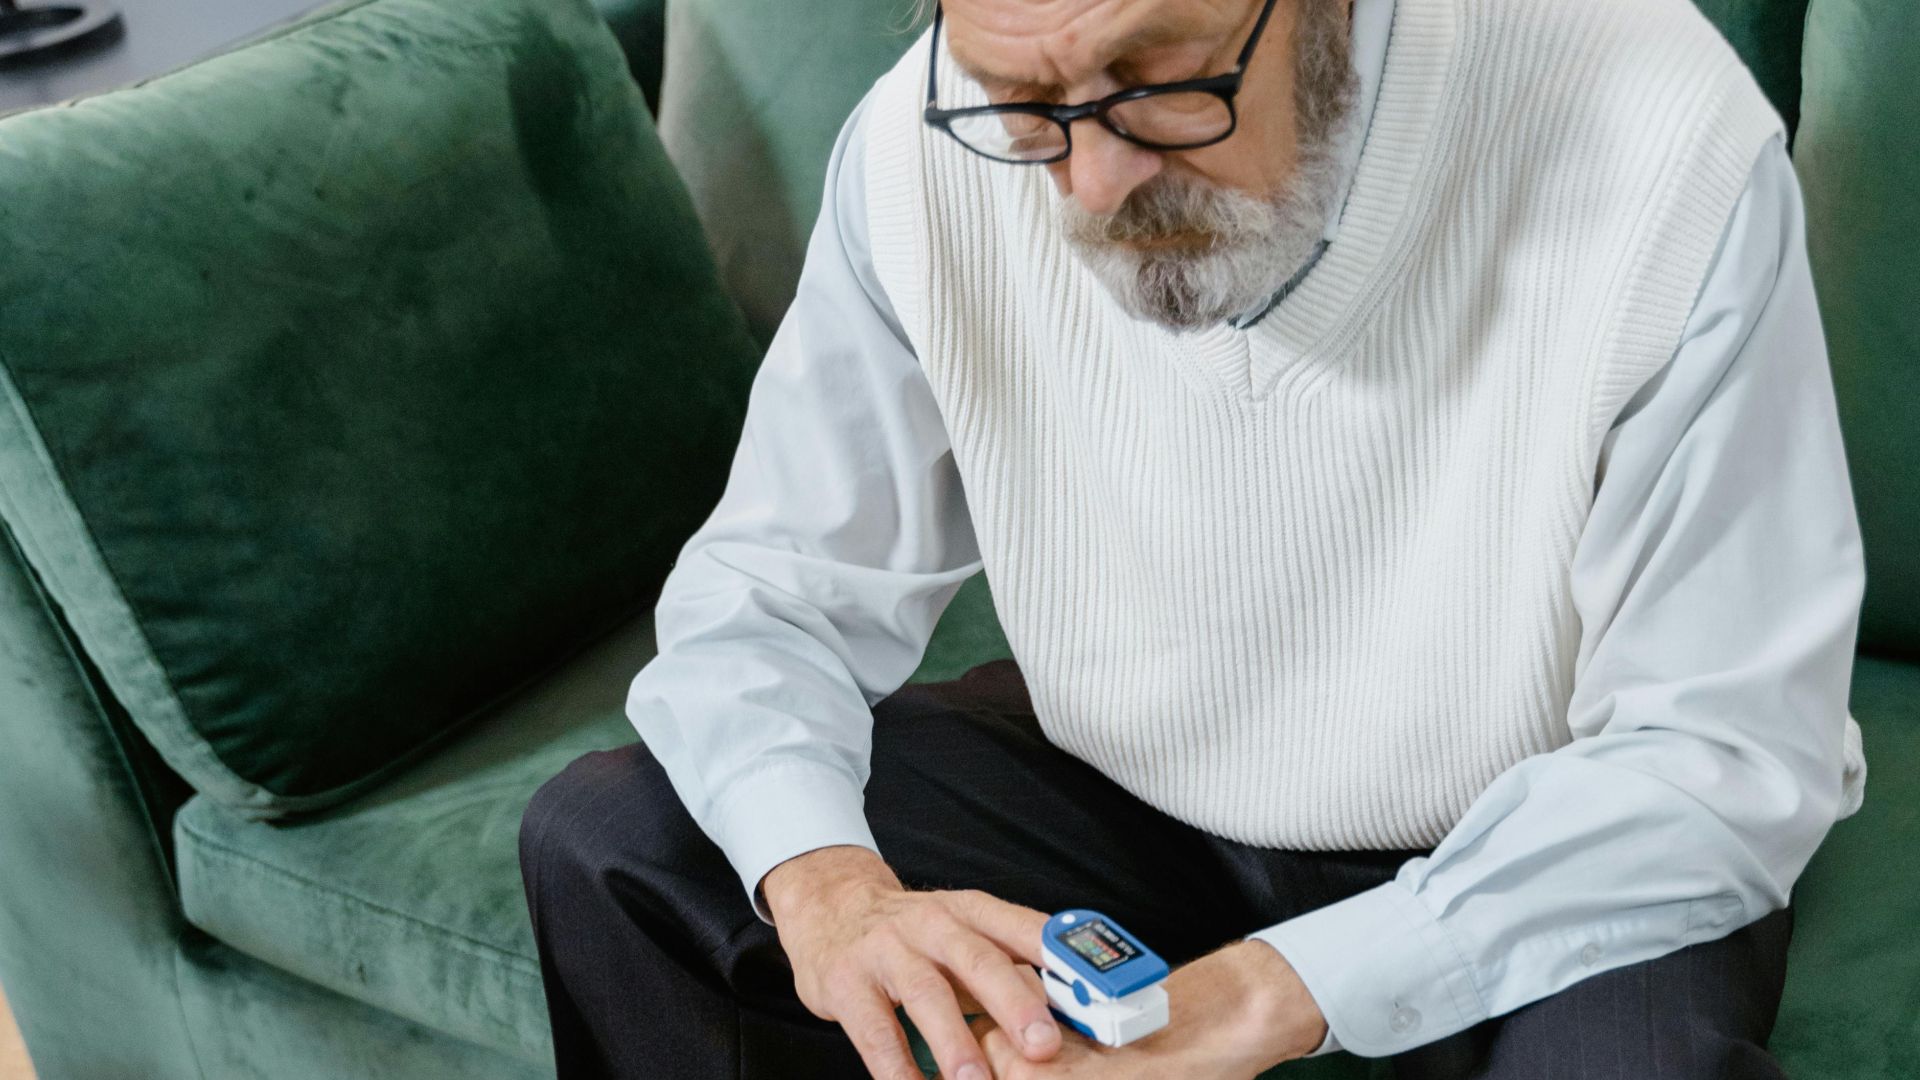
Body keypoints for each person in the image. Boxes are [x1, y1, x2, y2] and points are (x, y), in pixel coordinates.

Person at [518, 0, 1869, 1076]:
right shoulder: (922, 144)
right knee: (622, 846)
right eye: (1026, 104)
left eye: (1160, 78)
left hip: (1548, 826)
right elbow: (774, 591)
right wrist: (831, 891)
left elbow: (1723, 751)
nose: (1095, 181)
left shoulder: (1660, 128)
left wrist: (1271, 994)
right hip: (1132, 783)